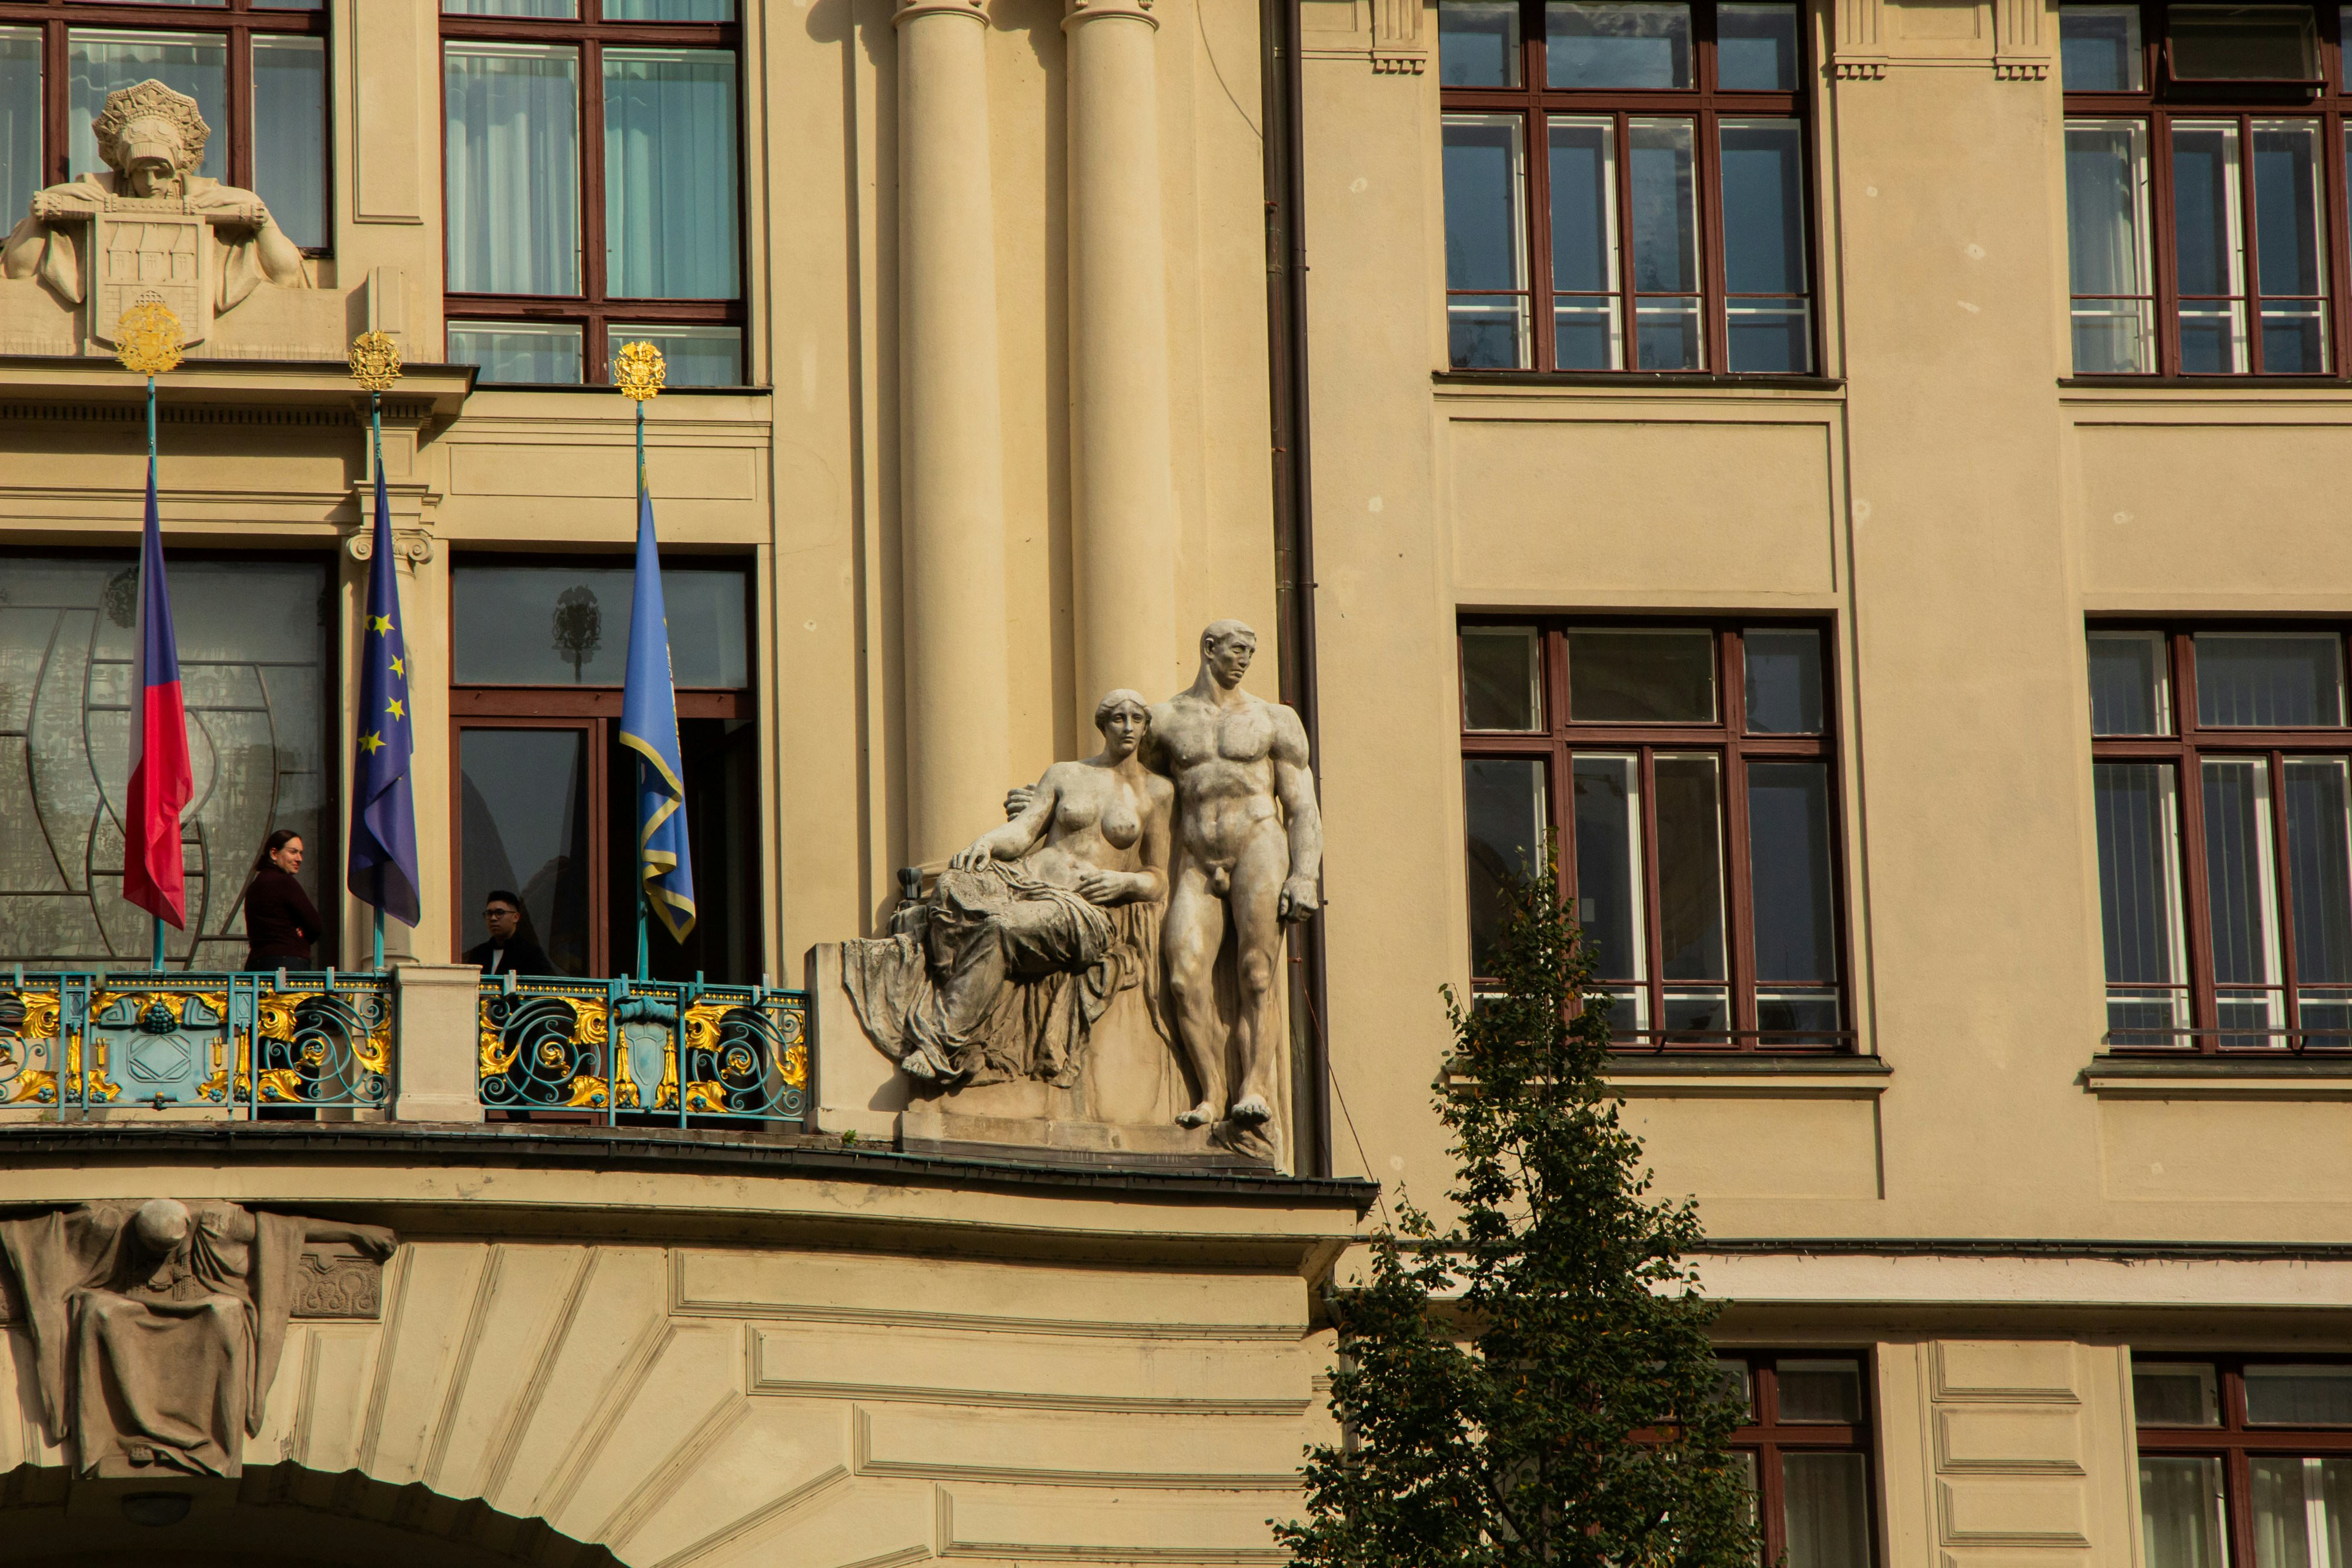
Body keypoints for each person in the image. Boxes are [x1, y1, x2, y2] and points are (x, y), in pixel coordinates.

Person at [842, 690, 1174, 1088]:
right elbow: (1024, 831)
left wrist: (1123, 881)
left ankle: (941, 1042)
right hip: (1025, 878)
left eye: (1136, 719)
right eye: (1118, 718)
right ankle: (962, 986)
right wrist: (986, 843)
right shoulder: (1066, 773)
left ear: (1145, 727)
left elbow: (1159, 876)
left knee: (1000, 927)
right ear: (1103, 725)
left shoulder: (1157, 792)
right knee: (951, 886)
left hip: (1081, 909)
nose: (1128, 726)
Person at [1148, 621, 1322, 1131]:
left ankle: (1255, 1087)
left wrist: (1305, 874)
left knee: (1257, 972)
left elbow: (1302, 806)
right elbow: (1129, 785)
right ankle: (1211, 1092)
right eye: (1237, 650)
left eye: (1251, 651)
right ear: (1209, 649)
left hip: (1258, 846)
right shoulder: (1166, 721)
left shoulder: (1274, 719)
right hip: (1197, 856)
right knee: (1183, 977)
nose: (1245, 660)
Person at [239, 830, 322, 971]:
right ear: (274, 854)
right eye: (293, 852)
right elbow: (316, 925)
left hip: (257, 966)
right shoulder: (284, 882)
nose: (299, 858)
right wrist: (303, 934)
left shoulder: (254, 886)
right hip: (288, 965)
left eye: (301, 853)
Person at [465, 891, 553, 977]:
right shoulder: (478, 954)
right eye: (489, 914)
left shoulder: (531, 954)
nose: (493, 918)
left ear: (516, 917)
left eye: (500, 913)